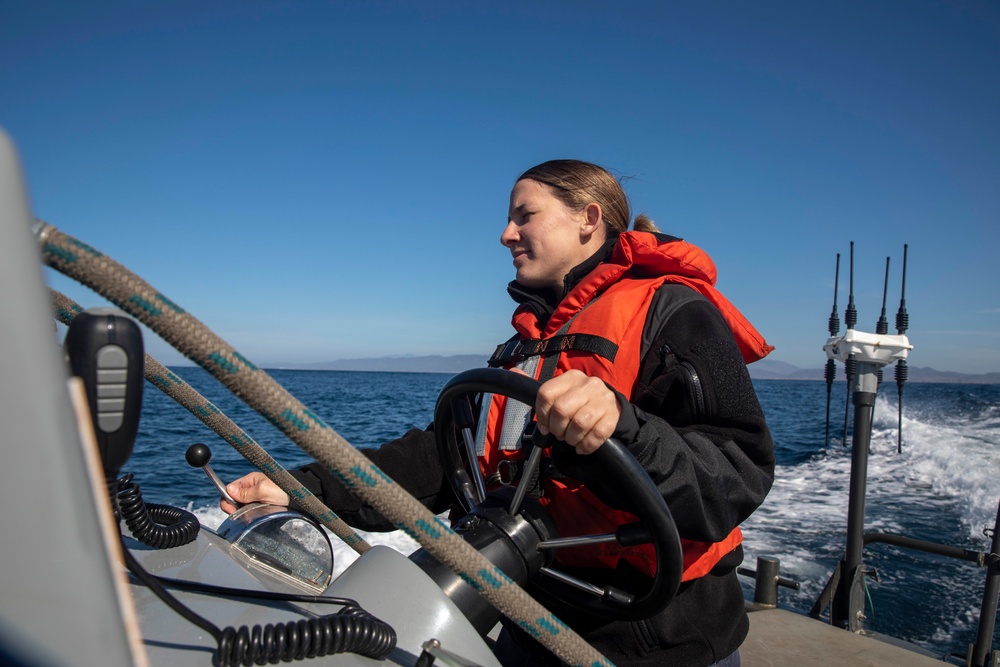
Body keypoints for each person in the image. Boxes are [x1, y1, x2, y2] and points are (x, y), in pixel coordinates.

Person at [223, 160, 775, 667]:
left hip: (653, 642)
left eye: (524, 216)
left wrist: (626, 428)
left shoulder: (674, 312)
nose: (506, 234)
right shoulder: (527, 345)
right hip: (527, 625)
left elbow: (737, 472)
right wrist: (302, 489)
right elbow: (439, 462)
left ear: (588, 218)